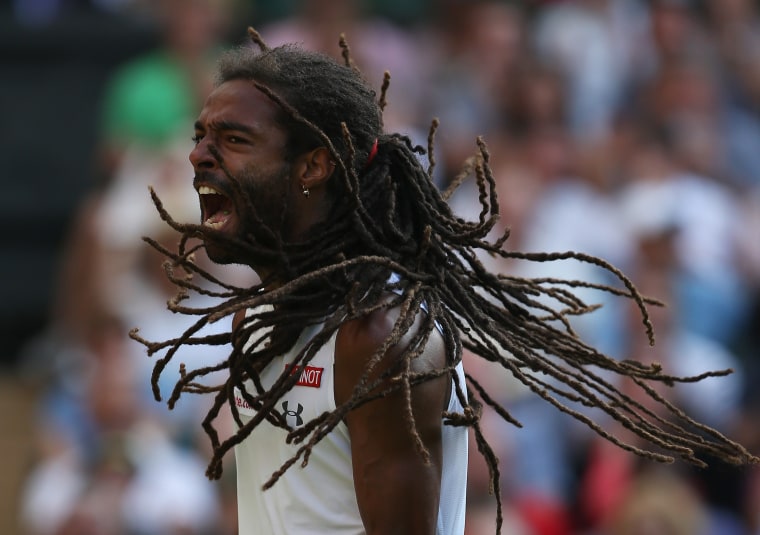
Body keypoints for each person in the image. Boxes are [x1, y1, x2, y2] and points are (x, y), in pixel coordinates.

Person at [130, 28, 758, 534]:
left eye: (233, 139)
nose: (198, 155)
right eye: (200, 136)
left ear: (314, 165)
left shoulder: (379, 335)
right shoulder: (261, 318)